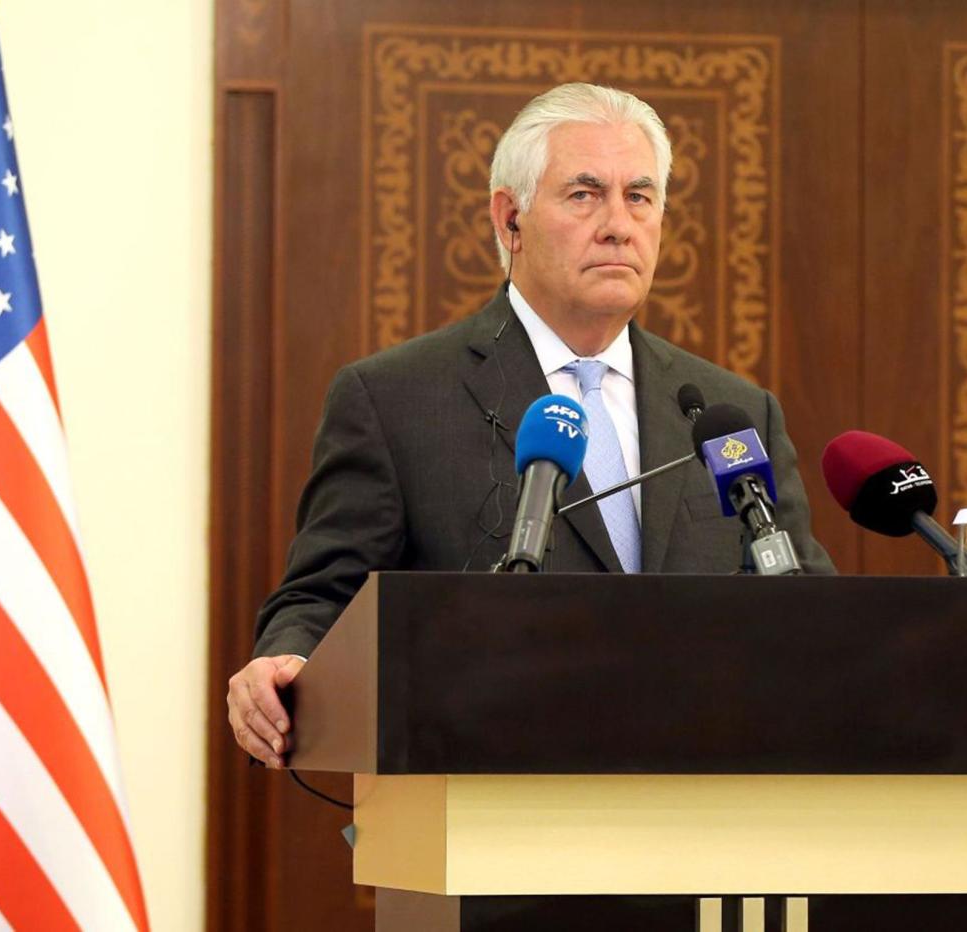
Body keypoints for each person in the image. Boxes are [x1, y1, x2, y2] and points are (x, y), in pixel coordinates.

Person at [227, 83, 835, 768]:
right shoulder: (395, 400)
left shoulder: (731, 411)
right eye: (583, 194)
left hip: (707, 811)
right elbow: (325, 596)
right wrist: (287, 660)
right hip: (489, 809)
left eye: (639, 196)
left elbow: (805, 608)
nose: (617, 223)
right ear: (509, 220)